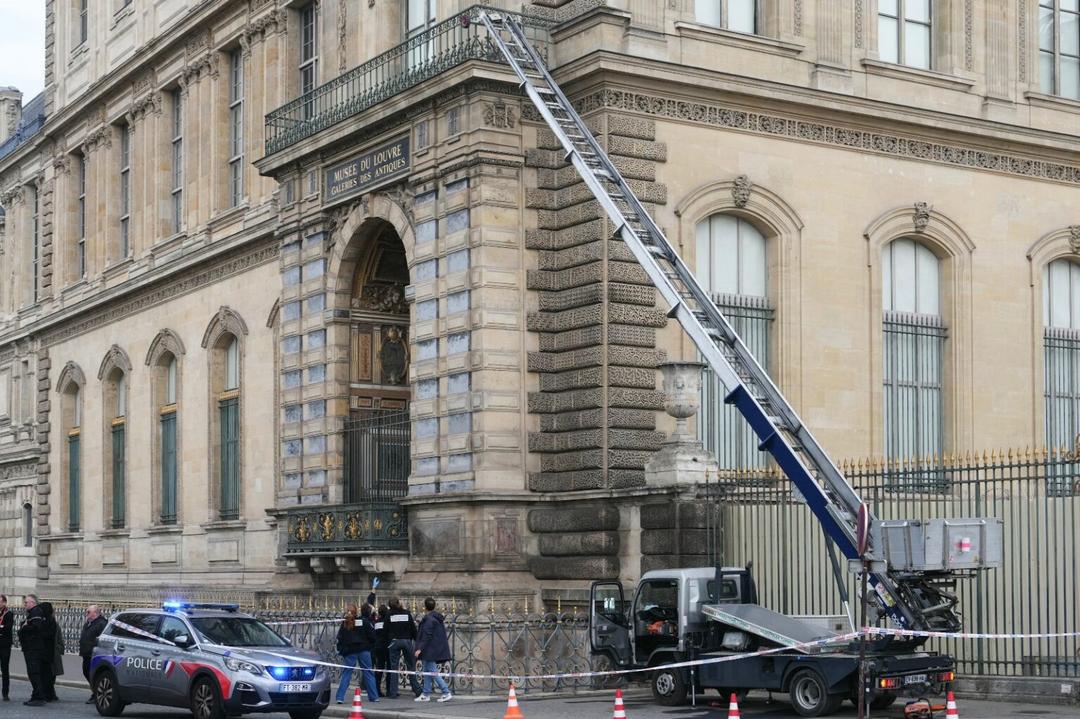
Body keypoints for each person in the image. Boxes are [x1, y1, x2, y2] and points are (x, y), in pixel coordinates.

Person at [334, 603, 379, 704]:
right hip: (364, 650)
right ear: (356, 611)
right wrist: (369, 646)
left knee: (346, 674)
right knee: (368, 673)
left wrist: (343, 650)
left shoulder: (345, 623)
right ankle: (374, 696)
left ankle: (340, 697)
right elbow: (372, 636)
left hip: (350, 651)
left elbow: (340, 639)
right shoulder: (364, 621)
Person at [414, 597, 452, 703]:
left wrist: (419, 648)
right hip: (432, 649)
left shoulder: (429, 620)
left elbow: (427, 635)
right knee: (426, 671)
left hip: (430, 650)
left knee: (433, 672)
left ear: (425, 607)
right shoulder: (435, 618)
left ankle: (446, 692)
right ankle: (426, 694)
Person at [384, 597, 421, 698]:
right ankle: (417, 690)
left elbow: (385, 630)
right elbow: (413, 628)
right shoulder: (406, 613)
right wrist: (416, 640)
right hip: (406, 640)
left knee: (394, 668)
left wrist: (388, 641)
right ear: (399, 603)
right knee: (410, 666)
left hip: (394, 641)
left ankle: (392, 692)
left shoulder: (389, 614)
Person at [17, 594, 46, 707]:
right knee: (32, 672)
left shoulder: (36, 612)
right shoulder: (33, 613)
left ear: (33, 603)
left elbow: (36, 628)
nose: (25, 604)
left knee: (34, 673)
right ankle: (36, 695)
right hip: (31, 647)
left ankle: (39, 697)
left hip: (33, 648)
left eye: (26, 602)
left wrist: (24, 627)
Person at [79, 606, 107, 703]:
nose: (86, 614)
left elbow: (102, 639)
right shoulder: (89, 623)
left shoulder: (102, 623)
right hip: (86, 653)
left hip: (94, 654)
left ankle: (96, 694)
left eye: (88, 612)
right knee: (86, 672)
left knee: (92, 674)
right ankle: (96, 692)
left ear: (95, 613)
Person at [38, 602, 60, 702]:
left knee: (48, 674)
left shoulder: (50, 621)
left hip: (48, 652)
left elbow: (49, 635)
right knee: (45, 674)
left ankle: (48, 694)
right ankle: (48, 693)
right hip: (44, 651)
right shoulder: (45, 620)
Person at [372, 604, 390, 698]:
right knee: (389, 669)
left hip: (378, 647)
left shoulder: (377, 622)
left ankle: (377, 689)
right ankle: (389, 689)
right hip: (387, 647)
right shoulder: (388, 622)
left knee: (379, 669)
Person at [0, 594, 12, 701]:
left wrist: (2, 627)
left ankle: (5, 692)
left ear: (4, 602)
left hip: (4, 646)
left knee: (5, 670)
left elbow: (7, 629)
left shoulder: (8, 614)